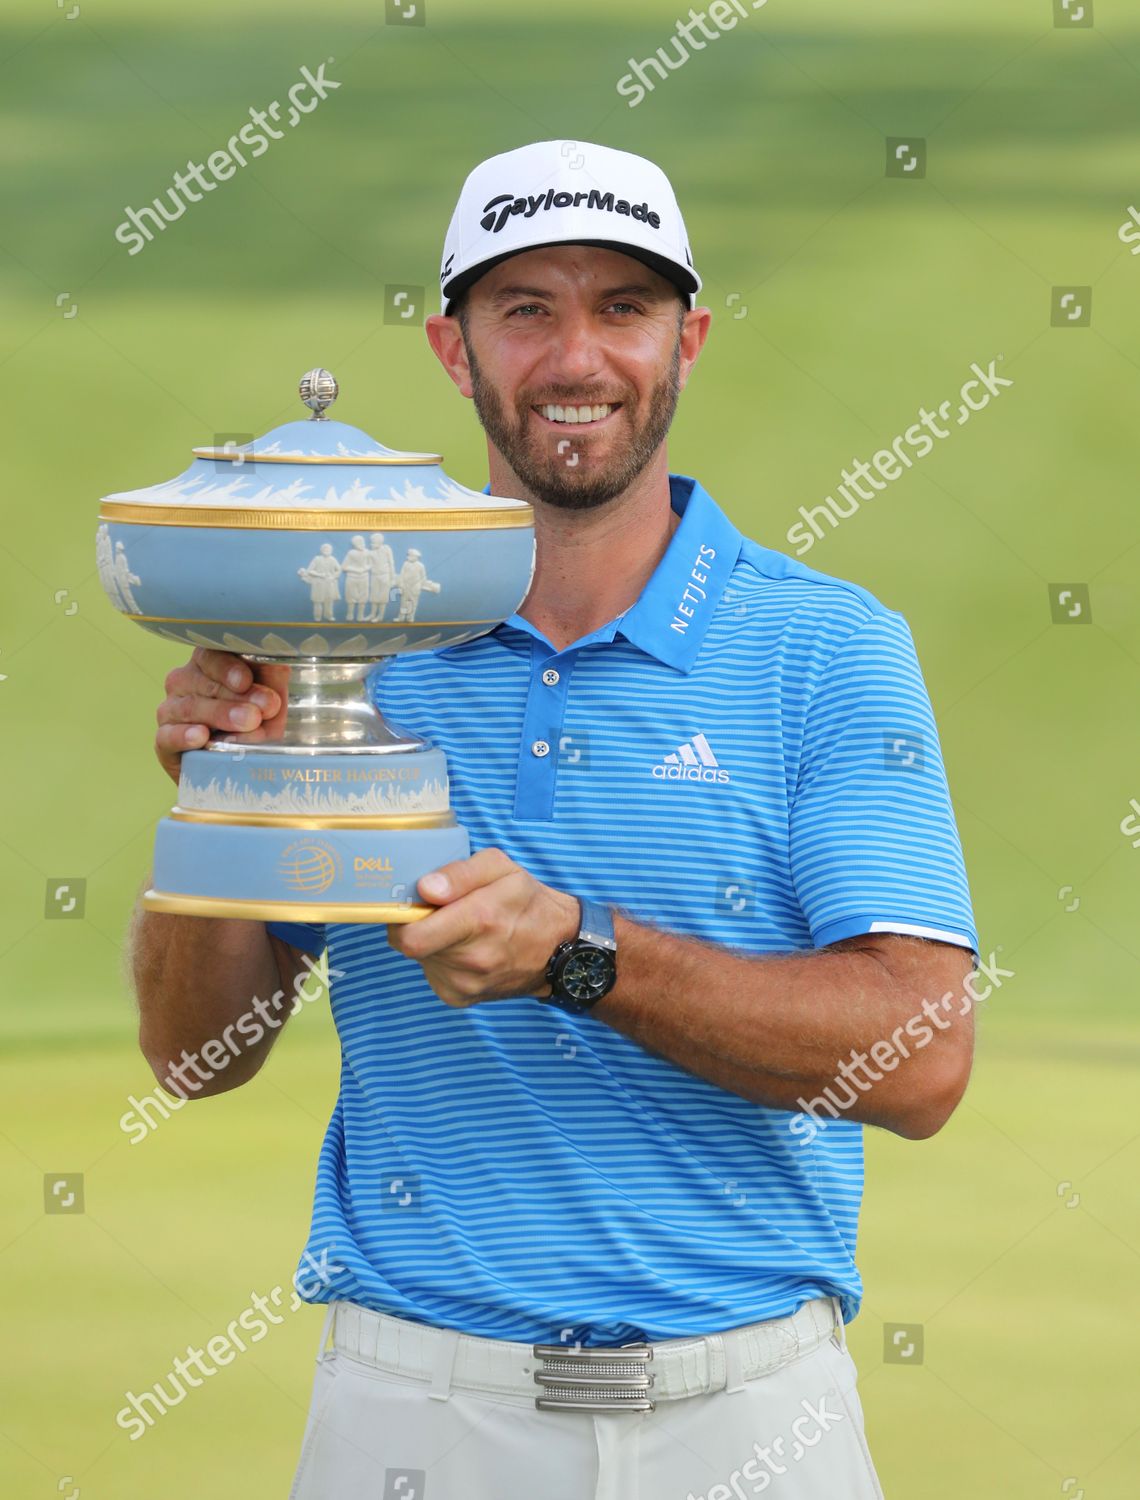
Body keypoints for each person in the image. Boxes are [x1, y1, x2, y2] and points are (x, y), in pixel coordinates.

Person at [134, 140, 980, 1499]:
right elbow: (193, 1055)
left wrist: (580, 956)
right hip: (416, 1414)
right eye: (525, 309)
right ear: (453, 349)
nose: (576, 357)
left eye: (623, 308)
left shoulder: (828, 649)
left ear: (688, 339)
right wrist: (222, 805)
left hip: (751, 1416)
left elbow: (923, 1063)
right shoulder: (350, 641)